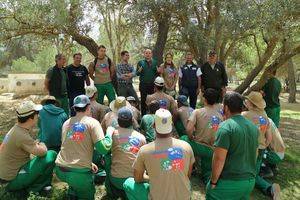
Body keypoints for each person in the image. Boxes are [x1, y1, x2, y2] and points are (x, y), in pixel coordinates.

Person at [123, 109, 195, 200]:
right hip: (184, 197)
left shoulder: (144, 150)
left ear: (153, 126)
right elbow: (188, 176)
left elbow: (137, 178)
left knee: (128, 183)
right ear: (171, 125)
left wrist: (151, 177)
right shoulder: (186, 147)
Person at [54, 95, 113, 200]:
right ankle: (77, 190)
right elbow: (103, 148)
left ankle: (73, 192)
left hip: (60, 169)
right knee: (87, 193)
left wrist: (89, 163)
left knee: (75, 183)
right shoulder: (92, 122)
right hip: (79, 174)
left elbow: (69, 146)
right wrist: (109, 133)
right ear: (89, 107)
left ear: (74, 108)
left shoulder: (67, 123)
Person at [206, 92, 258, 199]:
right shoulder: (253, 127)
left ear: (226, 107)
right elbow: (256, 154)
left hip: (229, 183)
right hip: (249, 182)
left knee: (210, 192)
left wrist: (213, 182)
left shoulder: (225, 127)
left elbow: (219, 159)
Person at [0, 101, 57, 193]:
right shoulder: (21, 135)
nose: (38, 116)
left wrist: (34, 144)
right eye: (37, 113)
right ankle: (36, 189)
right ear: (31, 118)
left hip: (4, 177)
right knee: (51, 154)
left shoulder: (15, 129)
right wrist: (42, 144)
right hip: (11, 181)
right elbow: (43, 152)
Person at [242, 91, 280, 199]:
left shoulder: (244, 115)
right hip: (261, 148)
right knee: (254, 172)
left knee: (250, 175)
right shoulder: (264, 116)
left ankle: (269, 188)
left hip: (248, 149)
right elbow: (268, 136)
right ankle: (269, 187)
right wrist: (264, 145)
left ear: (250, 103)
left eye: (247, 101)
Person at [181, 88, 223, 184]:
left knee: (184, 139)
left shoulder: (197, 112)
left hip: (198, 145)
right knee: (207, 172)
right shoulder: (220, 116)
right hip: (211, 150)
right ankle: (208, 180)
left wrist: (191, 137)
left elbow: (188, 129)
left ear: (205, 99)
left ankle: (188, 166)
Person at [108, 107, 146, 197]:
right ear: (132, 120)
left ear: (118, 120)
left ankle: (111, 190)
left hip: (116, 179)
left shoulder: (113, 135)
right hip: (135, 179)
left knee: (106, 156)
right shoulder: (141, 137)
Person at [136, 49, 159, 116]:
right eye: (146, 53)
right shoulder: (140, 62)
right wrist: (139, 71)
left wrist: (158, 71)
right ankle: (143, 115)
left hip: (152, 85)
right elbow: (137, 74)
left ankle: (152, 115)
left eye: (149, 53)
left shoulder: (155, 62)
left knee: (152, 101)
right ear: (144, 54)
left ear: (151, 54)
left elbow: (157, 73)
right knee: (143, 101)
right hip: (143, 85)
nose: (148, 54)